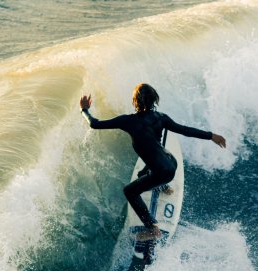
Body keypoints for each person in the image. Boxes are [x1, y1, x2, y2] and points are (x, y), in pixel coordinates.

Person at [80, 83, 226, 242]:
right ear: (154, 99)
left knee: (129, 191)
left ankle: (152, 229)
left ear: (135, 101)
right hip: (171, 163)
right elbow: (185, 130)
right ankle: (164, 186)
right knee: (146, 169)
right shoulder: (161, 118)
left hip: (161, 172)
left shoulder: (127, 121)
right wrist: (211, 135)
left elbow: (94, 124)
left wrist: (84, 109)